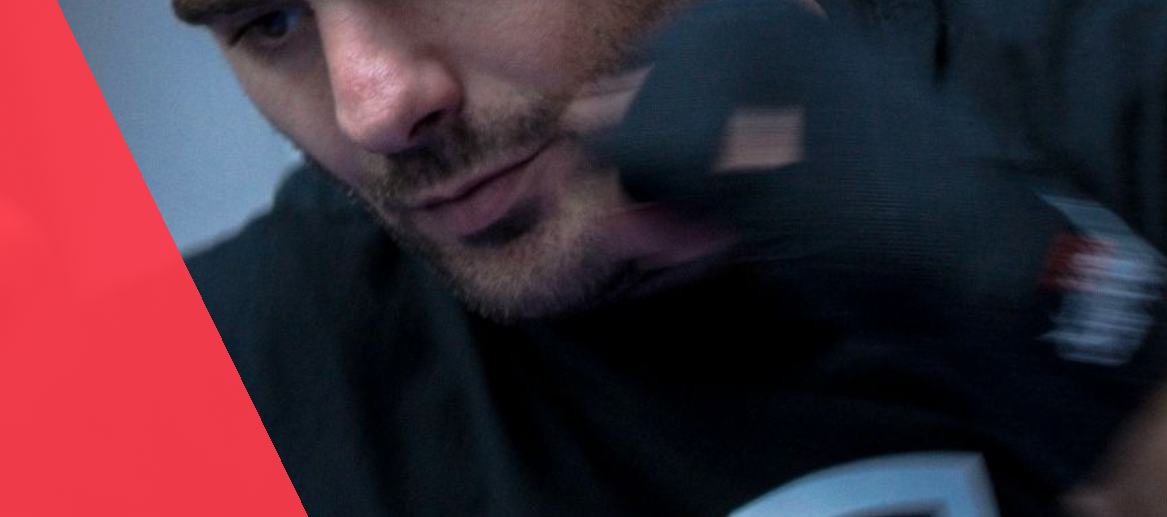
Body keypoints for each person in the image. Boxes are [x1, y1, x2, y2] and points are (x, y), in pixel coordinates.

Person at [174, 0, 1167, 515]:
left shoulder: (1111, 73)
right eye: (270, 20)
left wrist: (1051, 293)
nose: (377, 105)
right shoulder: (228, 391)